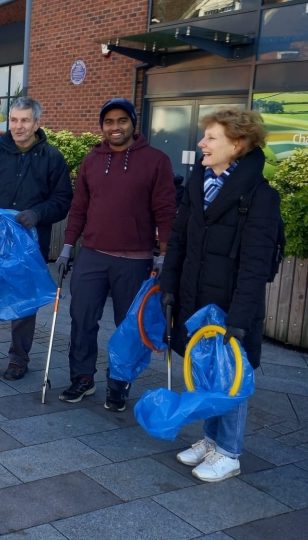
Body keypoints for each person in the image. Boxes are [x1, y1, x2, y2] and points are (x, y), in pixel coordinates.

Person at [161, 109, 280, 482]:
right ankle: (211, 440)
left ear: (238, 144)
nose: (201, 144)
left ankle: (229, 452)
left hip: (231, 305)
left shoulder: (261, 197)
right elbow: (178, 240)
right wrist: (168, 288)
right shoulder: (199, 184)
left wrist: (240, 319)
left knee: (230, 374)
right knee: (205, 370)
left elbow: (256, 265)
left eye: (211, 137)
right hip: (196, 299)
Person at [56, 97, 176, 411]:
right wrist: (68, 249)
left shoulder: (156, 160)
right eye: (109, 122)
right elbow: (79, 208)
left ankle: (118, 384)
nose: (115, 127)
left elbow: (165, 211)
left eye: (122, 120)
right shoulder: (91, 161)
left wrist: (164, 255)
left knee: (128, 327)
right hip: (92, 255)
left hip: (134, 259)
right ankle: (82, 378)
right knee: (82, 319)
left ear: (133, 123)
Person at [0, 97, 73, 381]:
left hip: (29, 243)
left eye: (25, 120)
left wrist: (38, 213)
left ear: (37, 123)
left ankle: (18, 359)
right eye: (14, 120)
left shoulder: (52, 157)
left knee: (25, 300)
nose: (18, 126)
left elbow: (63, 200)